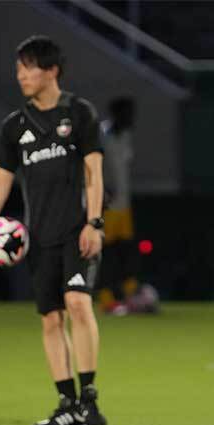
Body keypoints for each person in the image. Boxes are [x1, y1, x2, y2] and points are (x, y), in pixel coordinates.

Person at [0, 35, 107, 425]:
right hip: (39, 236)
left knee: (78, 303)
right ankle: (66, 403)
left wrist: (94, 222)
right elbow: (1, 182)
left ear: (52, 70)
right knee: (50, 318)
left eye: (28, 68)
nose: (21, 76)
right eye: (18, 70)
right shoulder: (14, 127)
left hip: (78, 230)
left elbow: (94, 171)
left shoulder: (79, 113)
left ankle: (89, 400)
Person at [99, 97, 139, 314]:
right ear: (118, 114)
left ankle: (130, 295)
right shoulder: (101, 135)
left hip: (124, 205)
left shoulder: (125, 136)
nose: (132, 118)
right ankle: (106, 299)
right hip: (106, 206)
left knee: (127, 251)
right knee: (106, 254)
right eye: (128, 113)